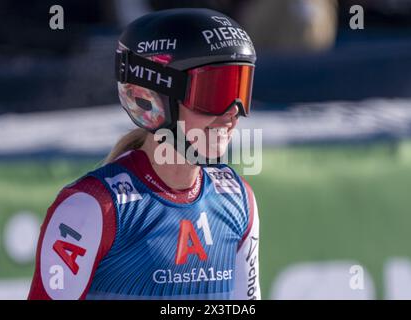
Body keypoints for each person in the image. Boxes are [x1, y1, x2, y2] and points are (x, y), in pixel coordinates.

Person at [28, 8, 260, 300]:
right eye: (215, 92)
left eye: (240, 88)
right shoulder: (92, 207)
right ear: (154, 98)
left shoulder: (238, 200)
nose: (232, 113)